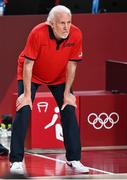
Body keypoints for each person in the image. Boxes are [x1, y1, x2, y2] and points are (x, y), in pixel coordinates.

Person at [9, 5, 89, 174]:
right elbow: (28, 65)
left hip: (59, 76)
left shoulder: (76, 34)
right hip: (32, 73)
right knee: (23, 109)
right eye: (62, 23)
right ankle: (16, 160)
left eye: (69, 22)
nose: (66, 27)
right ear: (51, 24)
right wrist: (27, 95)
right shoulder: (37, 33)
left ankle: (74, 158)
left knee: (69, 109)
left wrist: (67, 93)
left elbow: (72, 65)